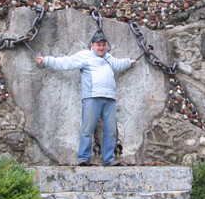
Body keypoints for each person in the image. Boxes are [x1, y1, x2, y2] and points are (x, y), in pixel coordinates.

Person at [35, 32, 137, 166]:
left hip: (110, 99)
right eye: (99, 45)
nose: (101, 48)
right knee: (87, 130)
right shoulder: (85, 56)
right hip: (92, 98)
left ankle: (108, 159)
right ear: (92, 45)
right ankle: (83, 158)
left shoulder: (109, 58)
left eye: (103, 45)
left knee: (111, 131)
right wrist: (46, 60)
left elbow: (119, 64)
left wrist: (129, 62)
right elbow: (66, 62)